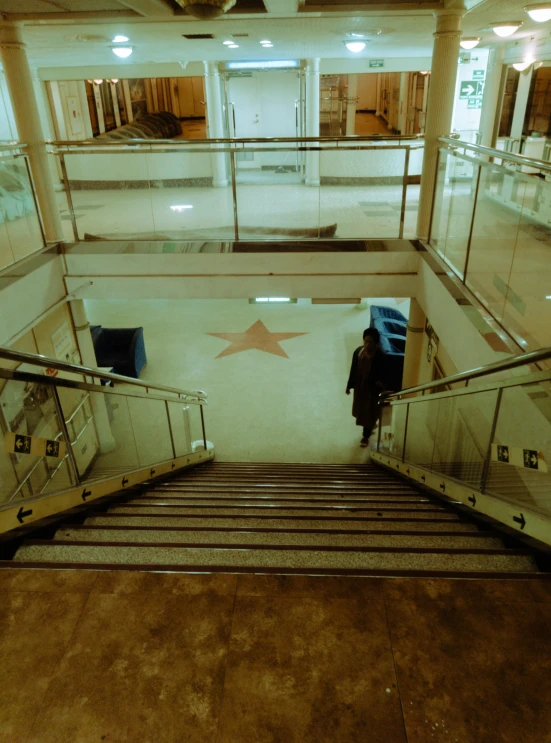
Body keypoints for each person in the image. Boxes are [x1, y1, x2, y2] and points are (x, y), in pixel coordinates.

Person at [346, 328, 388, 447]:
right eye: (365, 341)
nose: (366, 345)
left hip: (372, 390)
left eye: (370, 342)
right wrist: (349, 385)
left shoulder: (380, 356)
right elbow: (353, 370)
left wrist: (380, 384)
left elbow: (385, 373)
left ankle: (366, 436)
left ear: (375, 343)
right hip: (361, 387)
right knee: (361, 410)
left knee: (369, 411)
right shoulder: (358, 352)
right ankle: (370, 425)